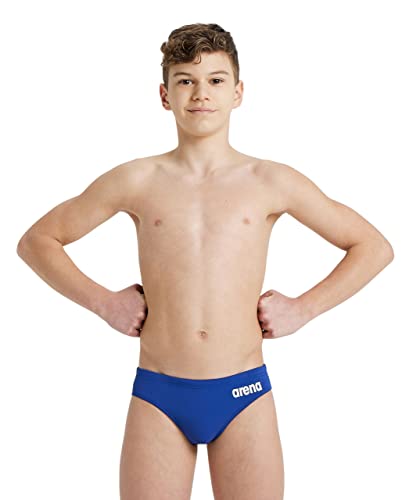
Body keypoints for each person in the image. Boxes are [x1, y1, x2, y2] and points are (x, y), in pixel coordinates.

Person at [16, 22, 394, 500]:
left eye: (216, 80)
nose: (201, 93)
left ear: (238, 92)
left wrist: (304, 308)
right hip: (158, 393)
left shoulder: (270, 181)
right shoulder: (136, 179)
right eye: (185, 80)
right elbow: (38, 240)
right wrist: (103, 302)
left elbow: (372, 247)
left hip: (243, 393)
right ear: (164, 94)